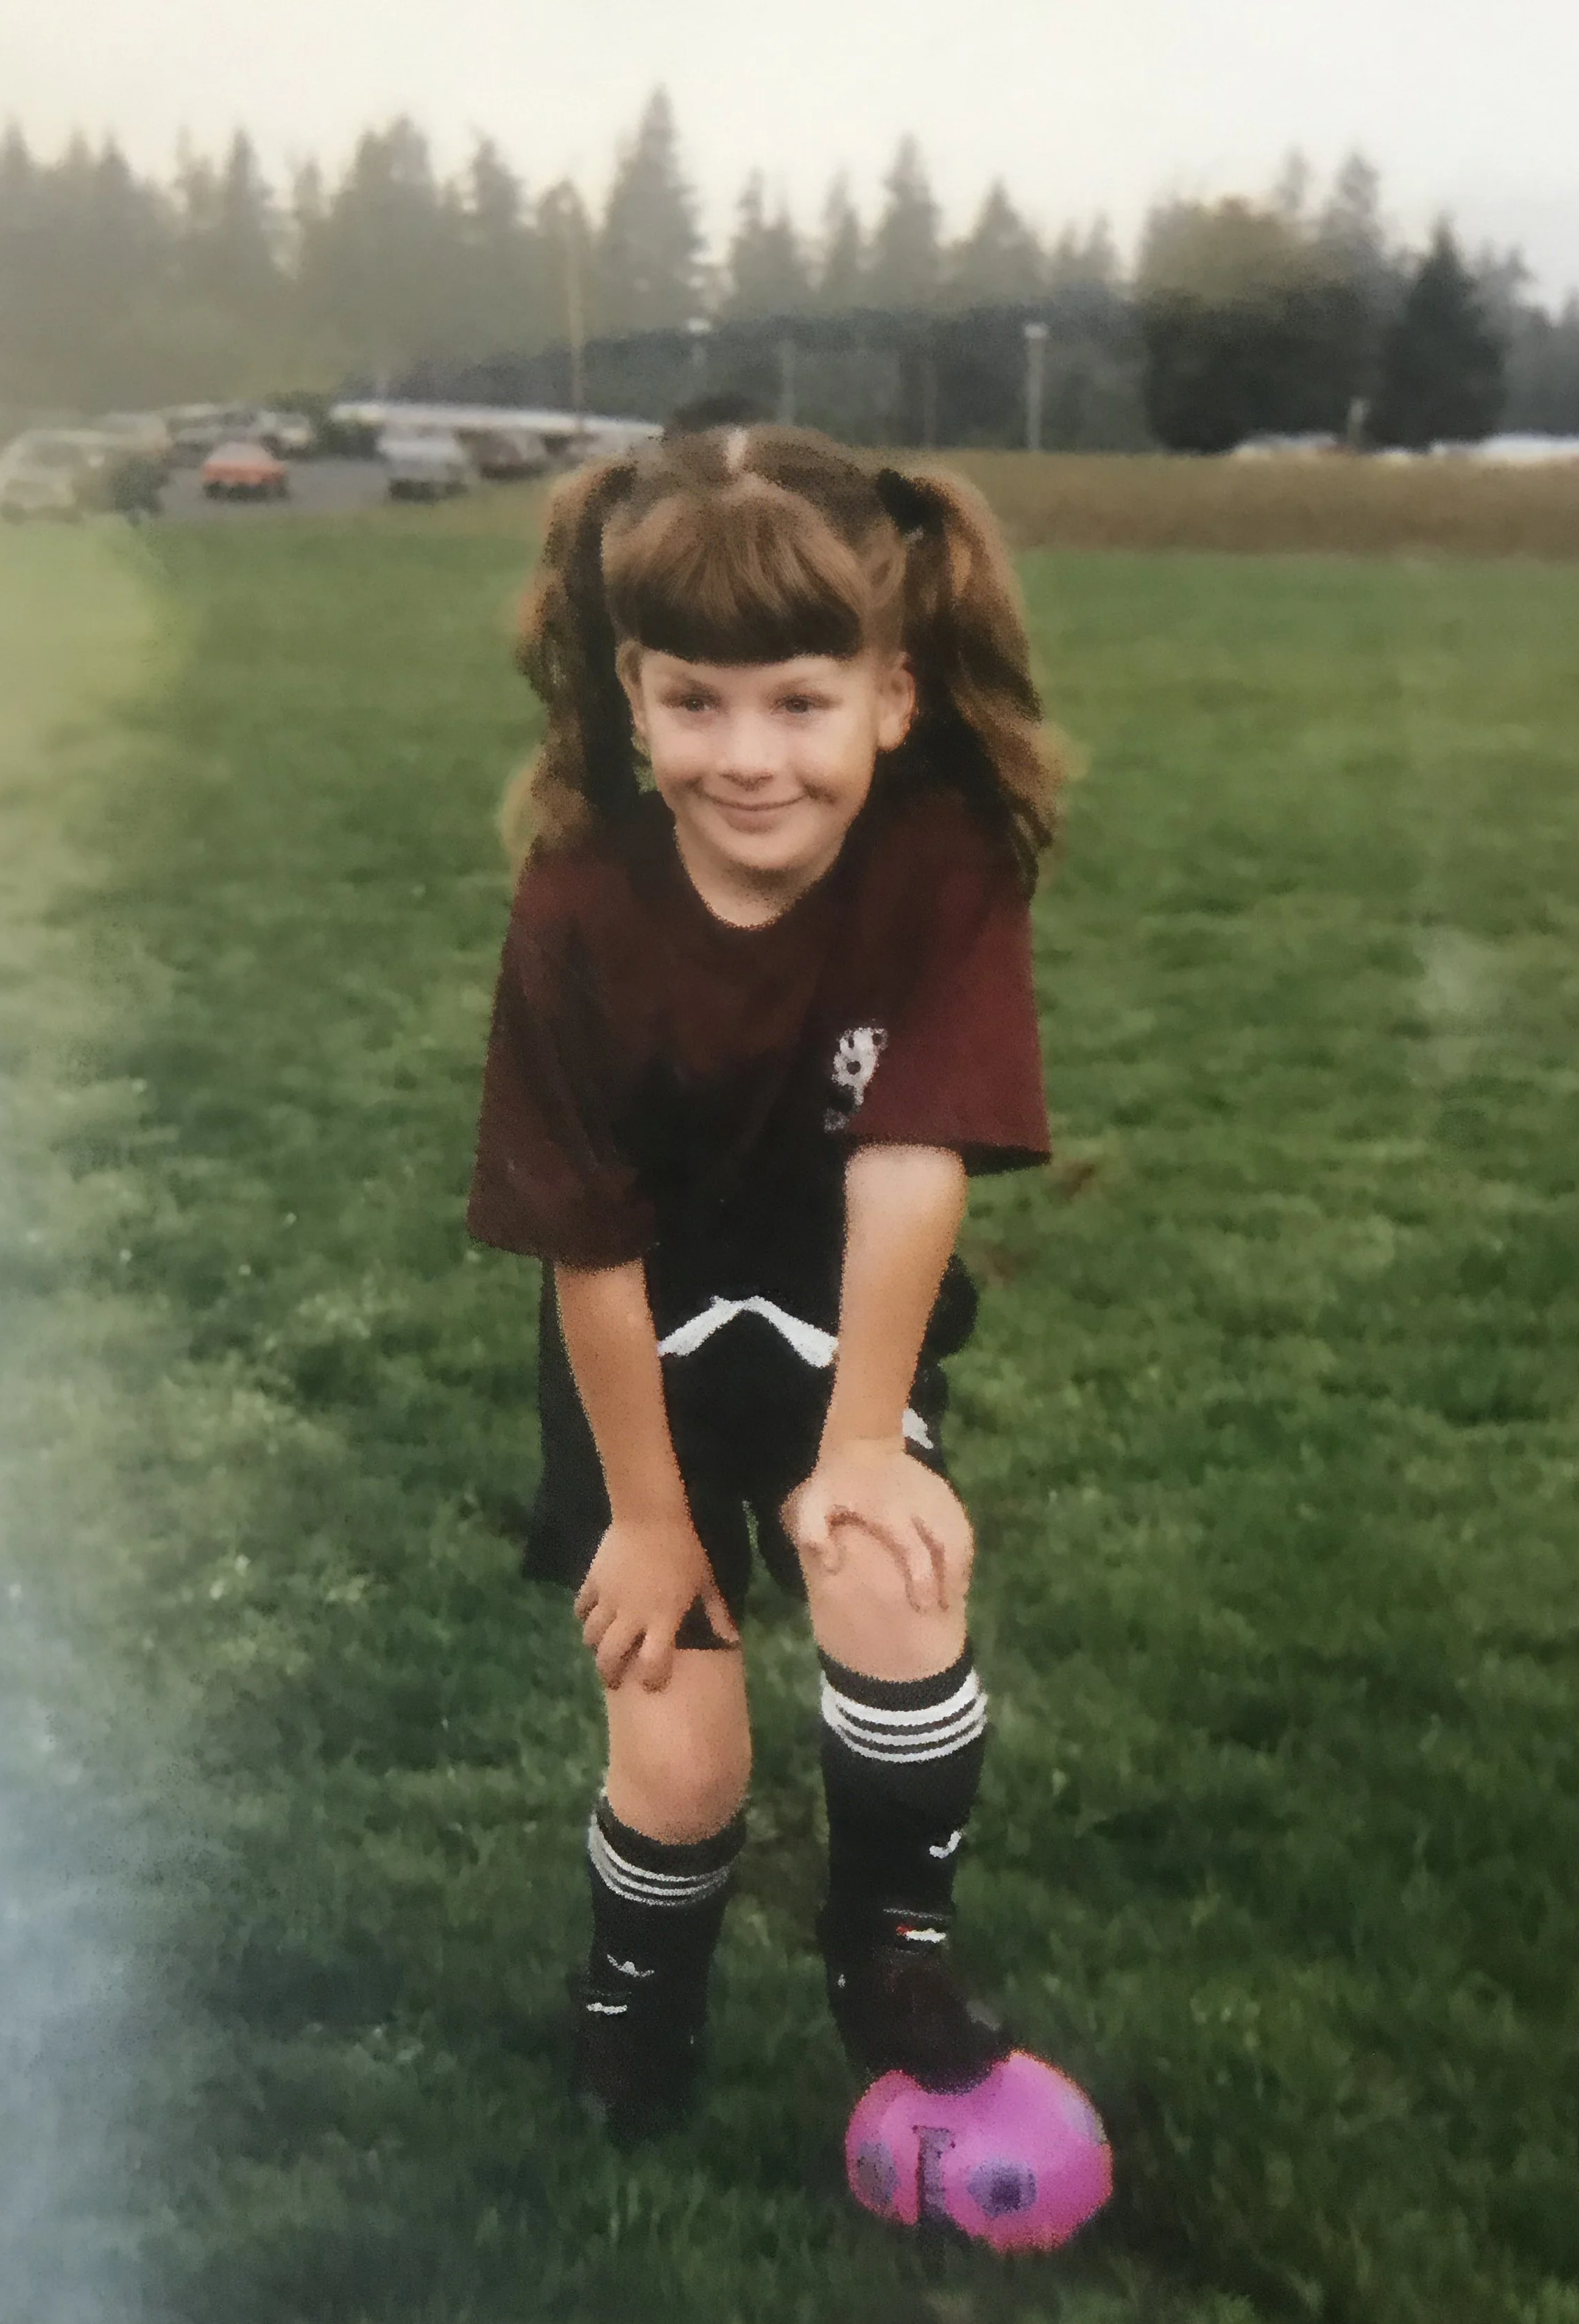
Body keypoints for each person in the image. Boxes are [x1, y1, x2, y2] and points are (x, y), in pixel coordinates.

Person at [467, 421, 1065, 2139]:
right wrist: (646, 1518)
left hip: (841, 1337)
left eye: (797, 703)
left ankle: (886, 1941)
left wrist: (864, 1442)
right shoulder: (577, 901)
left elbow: (906, 1161)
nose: (746, 758)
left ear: (889, 692)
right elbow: (588, 1238)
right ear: (629, 698)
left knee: (889, 1582)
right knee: (681, 1753)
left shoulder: (938, 867)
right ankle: (633, 2009)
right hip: (633, 1362)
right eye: (693, 704)